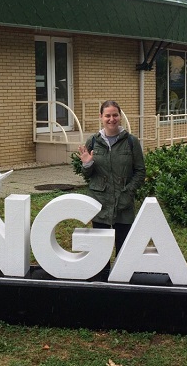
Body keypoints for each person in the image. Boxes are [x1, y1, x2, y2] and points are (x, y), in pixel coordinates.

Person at [77, 100, 146, 263]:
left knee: (124, 250)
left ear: (120, 117)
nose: (111, 119)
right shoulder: (93, 141)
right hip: (99, 203)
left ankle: (121, 282)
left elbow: (140, 171)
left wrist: (128, 193)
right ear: (101, 117)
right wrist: (87, 163)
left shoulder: (131, 142)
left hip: (124, 203)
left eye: (115, 115)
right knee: (100, 253)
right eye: (107, 115)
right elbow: (87, 175)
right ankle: (102, 281)